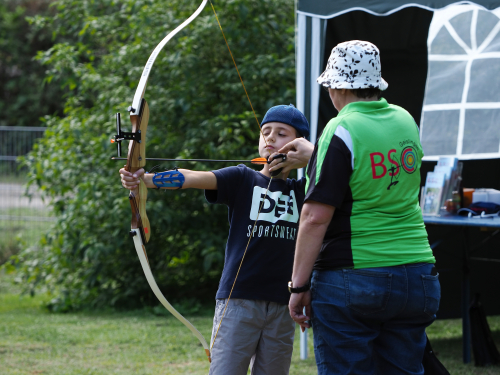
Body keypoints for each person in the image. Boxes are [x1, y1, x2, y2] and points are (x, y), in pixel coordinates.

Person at [120, 104, 313, 375]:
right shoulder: (242, 178)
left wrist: (313, 155)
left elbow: (342, 175)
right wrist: (146, 180)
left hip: (282, 304)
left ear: (299, 144)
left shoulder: (305, 190)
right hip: (239, 300)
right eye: (265, 132)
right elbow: (191, 178)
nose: (270, 138)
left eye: (282, 134)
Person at [288, 40, 441, 375]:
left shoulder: (340, 128)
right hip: (417, 276)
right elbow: (375, 176)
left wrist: (298, 286)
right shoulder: (404, 120)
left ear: (338, 85)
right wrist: (318, 155)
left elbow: (314, 217)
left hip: (355, 279)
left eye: (329, 85)